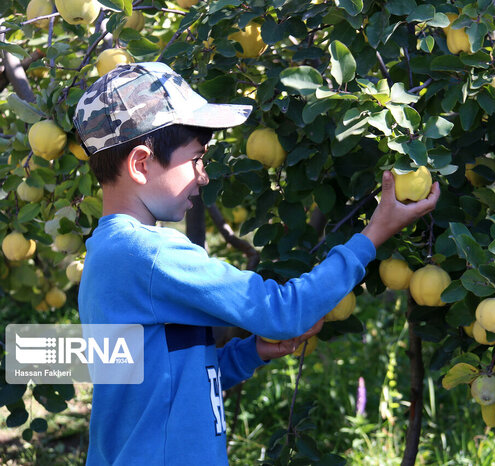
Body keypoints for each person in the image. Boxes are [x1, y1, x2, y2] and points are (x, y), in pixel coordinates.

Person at [73, 62, 440, 465]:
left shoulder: (106, 256)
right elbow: (285, 313)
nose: (203, 176)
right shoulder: (149, 255)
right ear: (141, 164)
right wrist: (374, 234)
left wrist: (251, 353)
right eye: (196, 159)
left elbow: (155, 384)